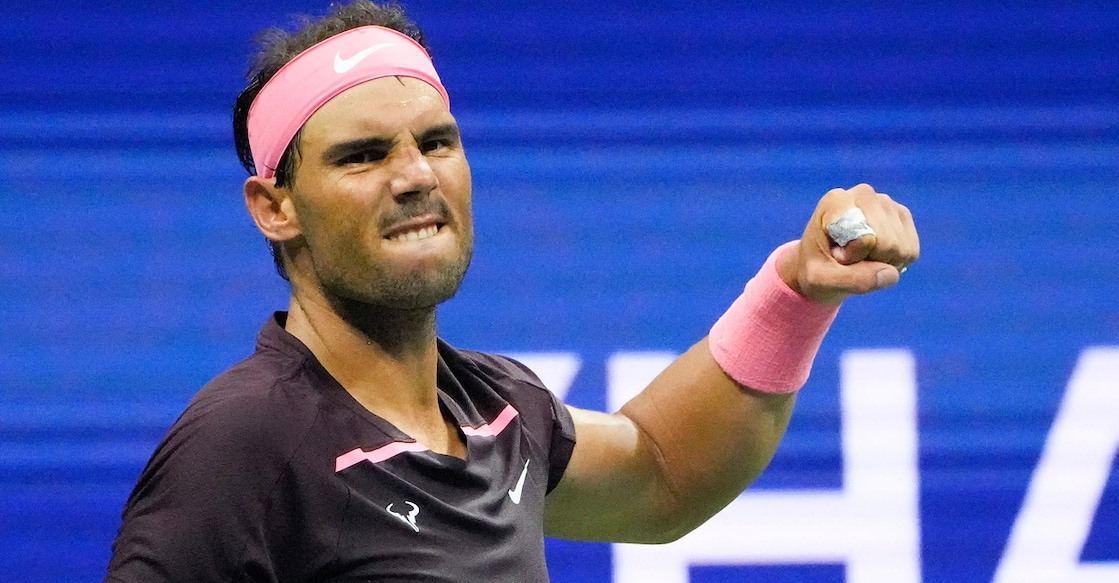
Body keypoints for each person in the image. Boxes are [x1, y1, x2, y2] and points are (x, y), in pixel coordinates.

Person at [105, 1, 919, 581]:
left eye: (436, 141)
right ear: (274, 207)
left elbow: (664, 472)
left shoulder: (493, 408)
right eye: (362, 156)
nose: (415, 176)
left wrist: (796, 291)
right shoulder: (244, 442)